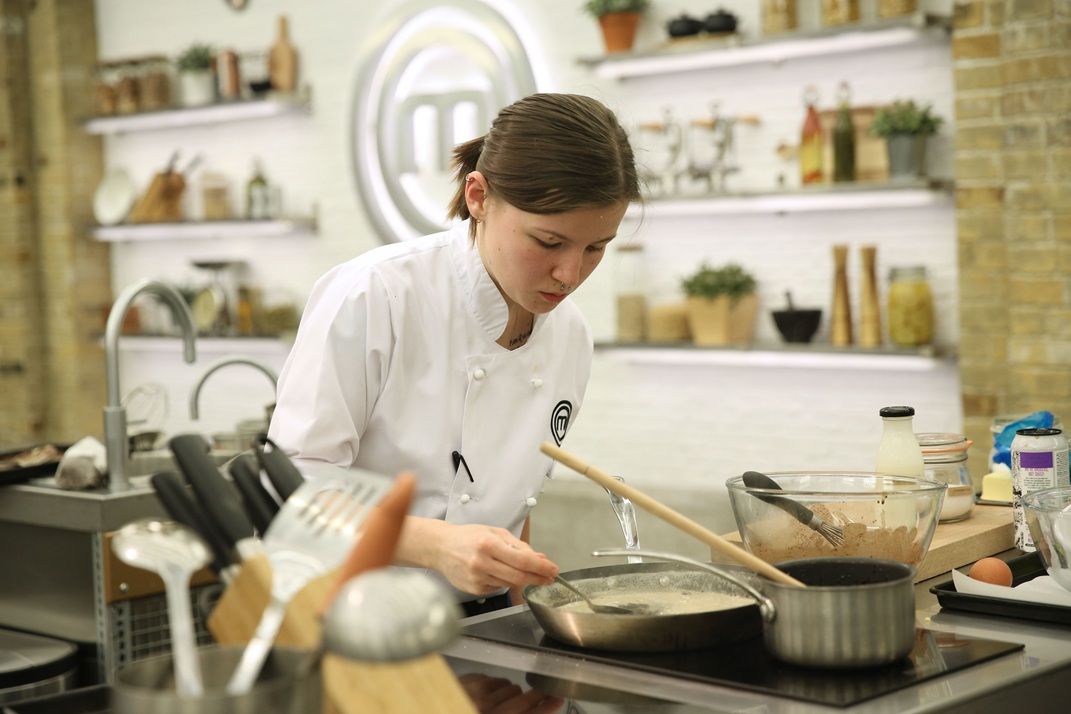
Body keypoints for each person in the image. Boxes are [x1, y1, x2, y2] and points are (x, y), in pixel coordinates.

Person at [268, 92, 641, 615]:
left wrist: (524, 619)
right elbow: (292, 489)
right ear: (478, 196)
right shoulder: (377, 294)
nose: (570, 275)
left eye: (596, 247)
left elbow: (512, 498)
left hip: (480, 619)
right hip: (349, 613)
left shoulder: (569, 334)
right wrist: (437, 546)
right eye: (549, 242)